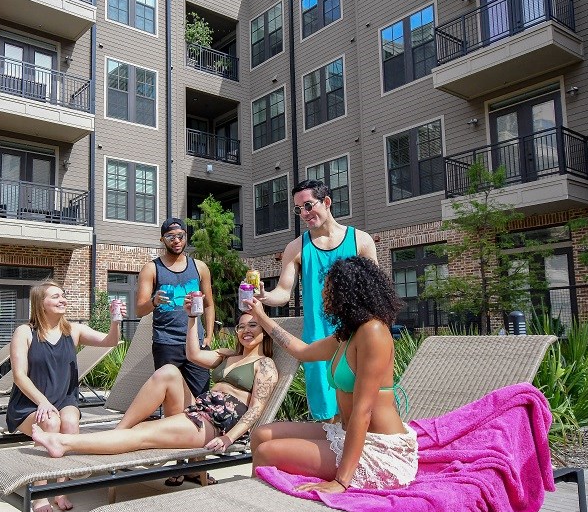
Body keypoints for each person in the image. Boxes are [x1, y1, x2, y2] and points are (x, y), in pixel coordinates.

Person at [31, 304, 279, 470]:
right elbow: (192, 354)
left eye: (253, 326)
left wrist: (228, 438)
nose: (245, 331)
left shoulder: (265, 365)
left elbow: (256, 409)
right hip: (199, 409)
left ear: (265, 331)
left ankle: (64, 443)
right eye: (241, 326)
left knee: (142, 435)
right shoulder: (228, 355)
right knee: (169, 371)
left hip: (217, 423)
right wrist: (193, 318)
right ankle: (119, 431)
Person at [244, 256, 417, 492]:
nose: (323, 293)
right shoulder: (348, 334)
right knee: (262, 435)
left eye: (328, 287)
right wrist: (261, 316)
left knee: (267, 452)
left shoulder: (373, 332)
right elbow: (302, 351)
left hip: (377, 446)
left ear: (346, 292)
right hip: (345, 433)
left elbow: (363, 411)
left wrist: (340, 481)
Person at [257, 180, 377, 422]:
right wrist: (265, 296)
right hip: (317, 338)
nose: (304, 213)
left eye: (308, 205)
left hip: (355, 335)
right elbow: (283, 292)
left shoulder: (360, 240)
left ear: (327, 202)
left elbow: (375, 291)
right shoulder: (296, 248)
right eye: (298, 209)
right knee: (326, 416)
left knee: (359, 410)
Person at [5, 281, 123, 512]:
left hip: (64, 399)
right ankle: (40, 494)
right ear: (41, 303)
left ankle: (61, 489)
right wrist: (43, 402)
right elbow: (19, 376)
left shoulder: (73, 330)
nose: (62, 300)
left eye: (63, 295)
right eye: (55, 296)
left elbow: (110, 341)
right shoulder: (25, 332)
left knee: (68, 421)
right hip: (30, 403)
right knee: (50, 421)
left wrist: (115, 322)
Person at [136, 217, 216, 398]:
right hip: (166, 343)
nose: (176, 240)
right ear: (162, 239)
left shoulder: (200, 267)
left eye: (180, 235)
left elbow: (209, 304)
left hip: (196, 342)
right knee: (171, 398)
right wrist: (154, 301)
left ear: (186, 236)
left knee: (202, 397)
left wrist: (209, 336)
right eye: (170, 236)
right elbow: (140, 310)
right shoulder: (151, 269)